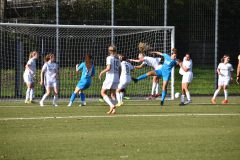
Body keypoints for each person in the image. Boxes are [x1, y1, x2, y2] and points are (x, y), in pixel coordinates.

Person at [99, 45, 120, 114]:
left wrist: (101, 72)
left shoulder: (109, 58)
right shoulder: (117, 59)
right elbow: (120, 69)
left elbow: (108, 68)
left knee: (103, 92)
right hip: (116, 77)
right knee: (113, 94)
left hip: (110, 77)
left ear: (109, 51)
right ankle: (114, 110)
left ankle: (111, 105)